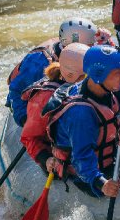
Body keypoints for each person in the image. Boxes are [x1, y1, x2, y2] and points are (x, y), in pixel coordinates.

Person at [42, 45, 120, 198]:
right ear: (98, 75)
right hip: (86, 175)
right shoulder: (81, 113)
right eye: (117, 73)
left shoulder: (104, 88)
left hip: (110, 155)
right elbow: (81, 158)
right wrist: (101, 183)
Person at [6, 17, 115, 126]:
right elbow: (16, 91)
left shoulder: (78, 50)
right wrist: (25, 120)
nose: (90, 51)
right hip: (23, 104)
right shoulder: (38, 62)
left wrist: (107, 44)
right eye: (89, 47)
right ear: (73, 46)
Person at [20, 42, 89, 173]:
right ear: (71, 75)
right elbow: (30, 137)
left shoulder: (96, 86)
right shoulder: (45, 97)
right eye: (86, 76)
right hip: (60, 156)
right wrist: (45, 159)